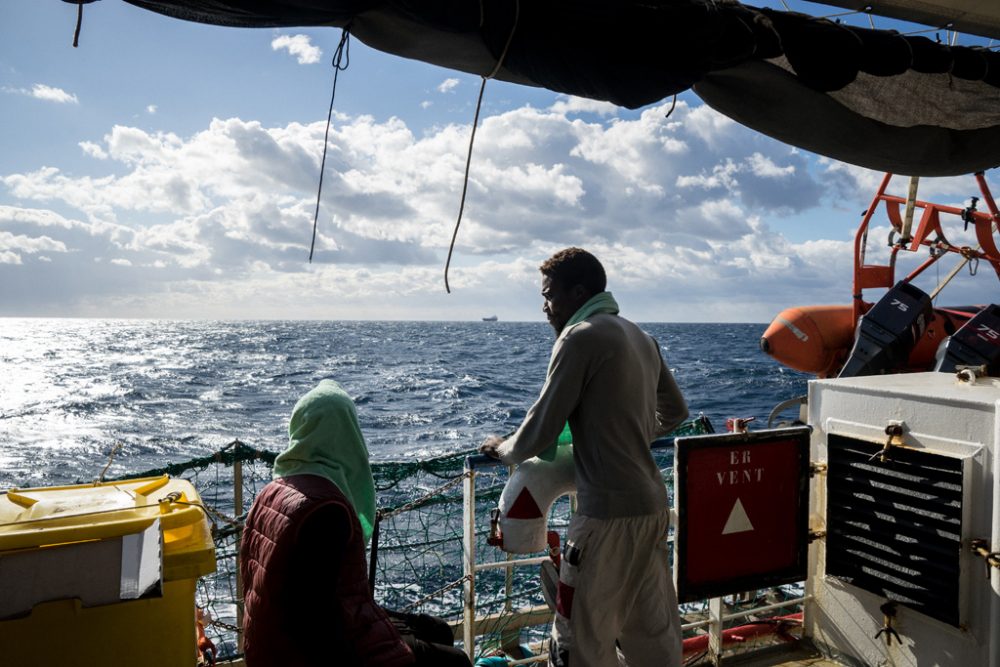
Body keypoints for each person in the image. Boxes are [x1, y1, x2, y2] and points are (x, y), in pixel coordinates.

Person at [480, 248, 688, 667]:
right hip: (650, 506)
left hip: (606, 516)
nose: (545, 306)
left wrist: (502, 449)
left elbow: (540, 428)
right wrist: (626, 436)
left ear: (578, 293)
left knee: (580, 639)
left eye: (550, 295)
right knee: (651, 633)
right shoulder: (640, 336)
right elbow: (676, 412)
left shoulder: (579, 338)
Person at [240, 379, 471, 667]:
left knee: (437, 629)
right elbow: (319, 626)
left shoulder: (271, 491)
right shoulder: (325, 511)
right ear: (344, 435)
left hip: (268, 644)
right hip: (303, 651)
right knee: (456, 661)